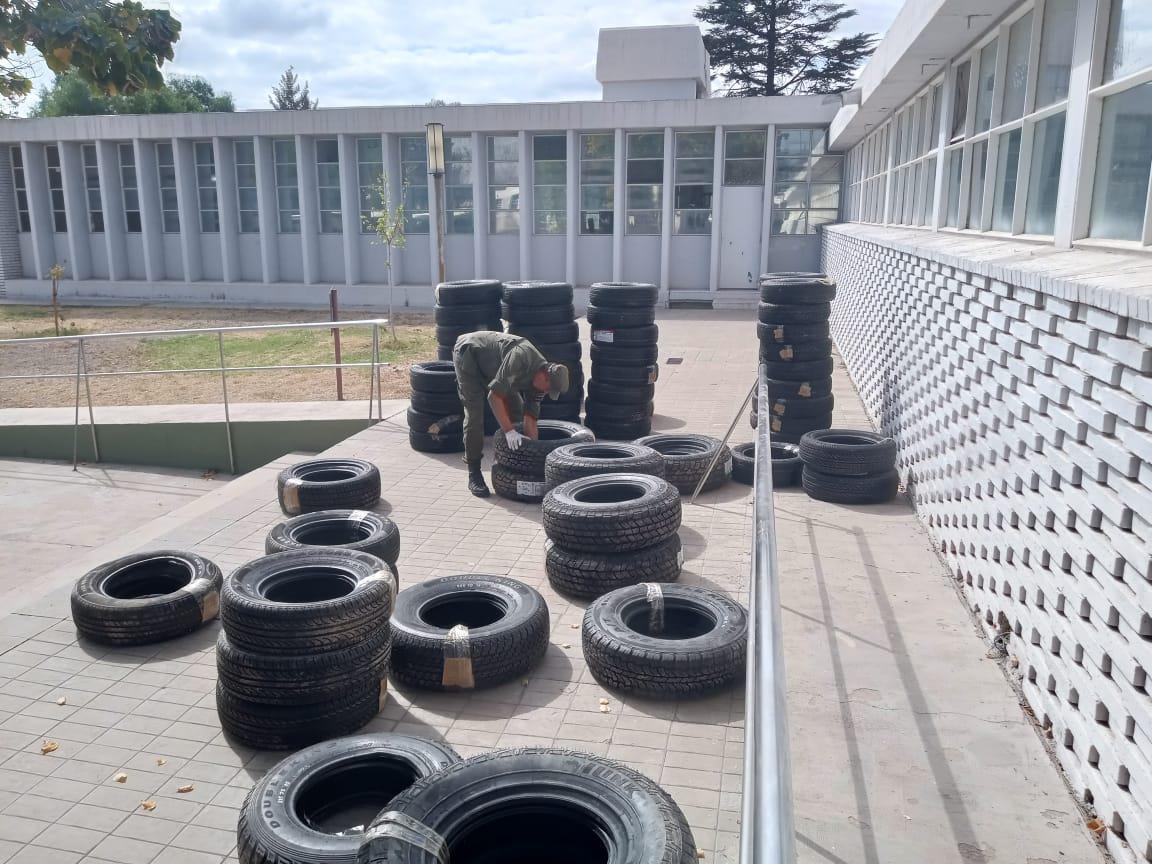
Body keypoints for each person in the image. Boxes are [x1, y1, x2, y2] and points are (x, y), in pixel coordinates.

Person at [452, 330, 570, 497]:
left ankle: (511, 464)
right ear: (545, 376)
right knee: (475, 414)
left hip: (496, 369)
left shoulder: (539, 383)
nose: (546, 392)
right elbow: (493, 397)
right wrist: (508, 431)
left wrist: (532, 458)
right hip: (470, 354)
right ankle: (474, 472)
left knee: (516, 410)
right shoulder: (521, 357)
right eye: (548, 389)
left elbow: (530, 419)